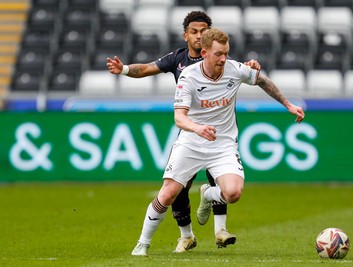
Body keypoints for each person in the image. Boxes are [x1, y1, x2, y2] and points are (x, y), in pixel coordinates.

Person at [131, 28, 305, 256]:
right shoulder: (189, 76)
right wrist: (198, 128)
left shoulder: (235, 69)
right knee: (168, 194)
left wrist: (288, 104)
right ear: (204, 53)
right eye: (219, 54)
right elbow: (179, 118)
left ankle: (208, 194)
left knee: (233, 193)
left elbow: (262, 81)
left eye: (226, 53)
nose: (224, 58)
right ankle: (142, 244)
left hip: (222, 144)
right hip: (191, 142)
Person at [106, 11, 261, 253]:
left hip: (219, 133)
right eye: (195, 31)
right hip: (191, 132)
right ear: (186, 35)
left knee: (220, 180)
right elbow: (146, 68)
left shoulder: (220, 58)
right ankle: (185, 235)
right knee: (176, 189)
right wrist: (125, 69)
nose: (199, 36)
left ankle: (220, 230)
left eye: (203, 31)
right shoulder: (178, 60)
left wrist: (252, 68)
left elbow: (245, 72)